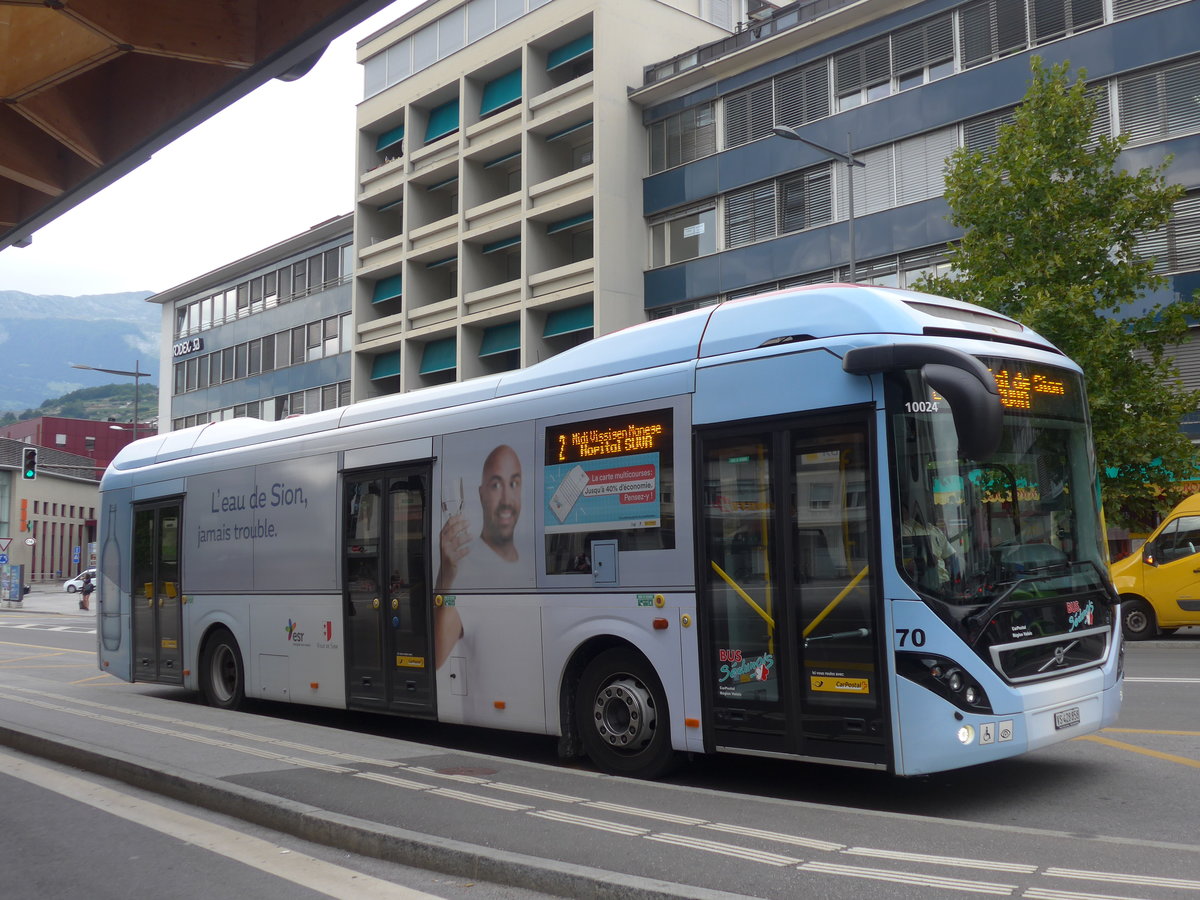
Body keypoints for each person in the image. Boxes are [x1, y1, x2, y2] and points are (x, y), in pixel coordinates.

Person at [434, 444, 523, 667]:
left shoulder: (527, 563)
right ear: (481, 494)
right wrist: (445, 578)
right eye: (495, 485)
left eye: (513, 484)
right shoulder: (465, 568)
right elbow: (436, 653)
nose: (506, 499)